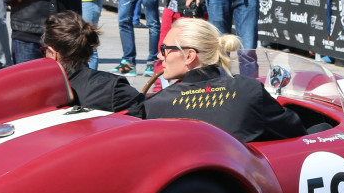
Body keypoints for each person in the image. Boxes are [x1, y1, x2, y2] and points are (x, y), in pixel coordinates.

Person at [131, 18, 307, 143]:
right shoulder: (248, 91)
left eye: (164, 49)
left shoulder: (155, 105)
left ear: (189, 56)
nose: (159, 55)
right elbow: (298, 133)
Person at [40, 12, 143, 112]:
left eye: (43, 50)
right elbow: (147, 114)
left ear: (54, 53)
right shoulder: (111, 88)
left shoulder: (39, 91)